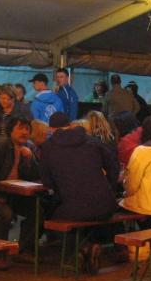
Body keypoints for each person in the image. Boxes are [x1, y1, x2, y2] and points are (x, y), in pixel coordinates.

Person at [40, 112, 120, 271]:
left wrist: (62, 186)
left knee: (52, 218)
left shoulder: (48, 147)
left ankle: (82, 249)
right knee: (88, 212)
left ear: (51, 129)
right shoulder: (92, 141)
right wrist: (110, 187)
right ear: (70, 125)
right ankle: (91, 245)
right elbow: (114, 166)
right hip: (105, 205)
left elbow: (47, 181)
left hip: (74, 207)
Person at [0, 115, 41, 270]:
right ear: (10, 130)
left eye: (27, 129)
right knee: (5, 213)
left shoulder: (30, 147)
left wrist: (30, 159)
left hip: (15, 195)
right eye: (20, 128)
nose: (24, 132)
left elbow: (35, 177)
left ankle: (24, 249)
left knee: (37, 210)